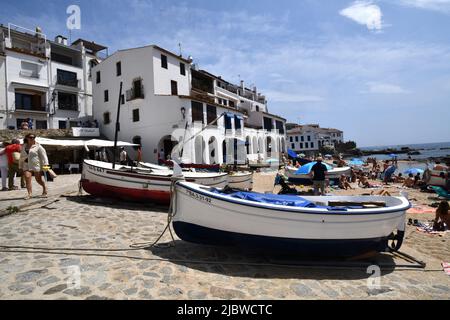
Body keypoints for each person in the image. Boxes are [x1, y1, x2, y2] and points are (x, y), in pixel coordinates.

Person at [19, 134, 49, 199]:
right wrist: (20, 166)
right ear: (27, 138)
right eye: (30, 137)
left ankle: (44, 187)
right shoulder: (23, 146)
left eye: (33, 137)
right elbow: (21, 156)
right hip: (26, 165)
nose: (32, 138)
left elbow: (44, 156)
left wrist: (46, 166)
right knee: (27, 178)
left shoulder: (38, 146)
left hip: (35, 165)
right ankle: (29, 194)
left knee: (38, 180)